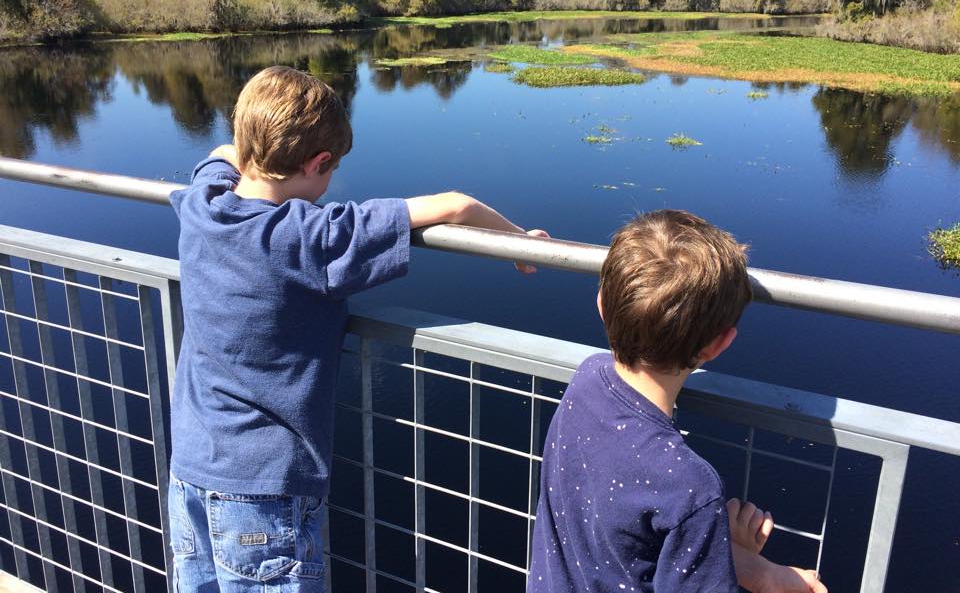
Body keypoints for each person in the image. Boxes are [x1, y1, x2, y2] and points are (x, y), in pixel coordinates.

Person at [167, 65, 546, 592]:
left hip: (190, 471)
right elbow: (455, 205)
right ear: (319, 162)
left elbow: (219, 156)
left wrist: (246, 146)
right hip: (266, 490)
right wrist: (522, 245)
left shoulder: (203, 205)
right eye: (330, 171)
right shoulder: (308, 237)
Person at [527, 210, 826, 593]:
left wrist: (730, 556)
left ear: (602, 304)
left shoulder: (586, 380)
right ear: (719, 344)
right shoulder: (692, 489)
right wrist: (753, 570)